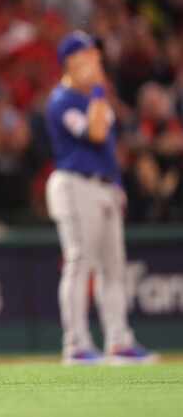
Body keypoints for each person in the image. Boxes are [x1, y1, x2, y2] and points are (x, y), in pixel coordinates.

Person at [44, 31, 158, 366]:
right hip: (75, 184)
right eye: (88, 54)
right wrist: (97, 90)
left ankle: (119, 341)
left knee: (114, 269)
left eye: (95, 54)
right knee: (80, 263)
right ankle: (76, 344)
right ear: (71, 61)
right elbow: (93, 133)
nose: (95, 60)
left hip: (104, 185)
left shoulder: (97, 98)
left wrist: (117, 185)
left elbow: (106, 146)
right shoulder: (61, 99)